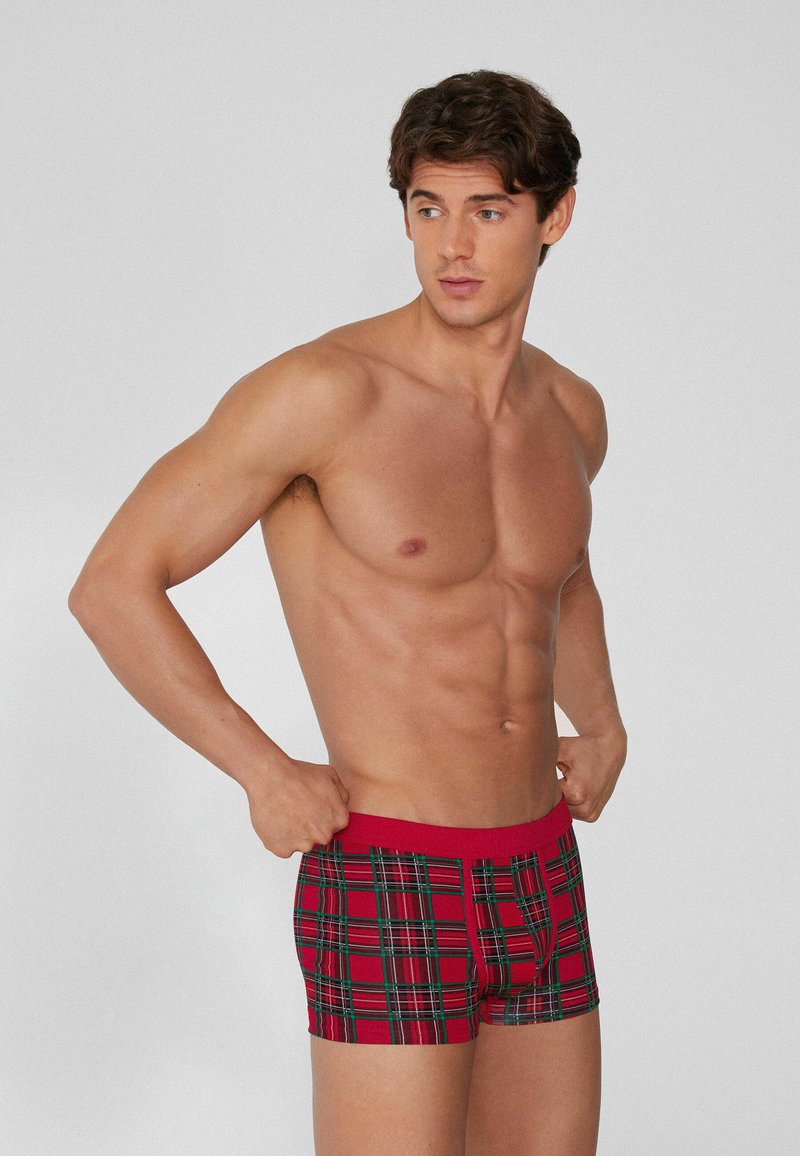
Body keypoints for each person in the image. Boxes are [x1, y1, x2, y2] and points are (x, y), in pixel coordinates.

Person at [69, 68, 627, 1156]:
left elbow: (561, 576)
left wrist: (601, 723)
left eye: (488, 210)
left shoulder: (569, 412)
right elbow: (113, 583)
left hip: (540, 866)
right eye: (427, 207)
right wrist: (260, 769)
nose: (451, 245)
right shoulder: (326, 394)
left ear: (553, 216)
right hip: (387, 866)